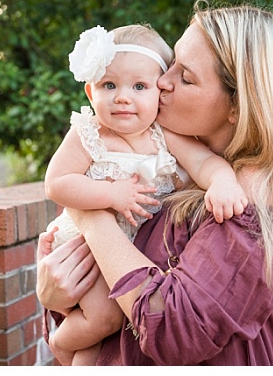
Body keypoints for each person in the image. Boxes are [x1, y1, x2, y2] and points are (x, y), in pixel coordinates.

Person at [37, 4, 273, 365]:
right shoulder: (175, 164)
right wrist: (55, 297)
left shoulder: (248, 206)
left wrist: (92, 217)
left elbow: (172, 333)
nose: (162, 81)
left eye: (185, 77)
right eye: (171, 63)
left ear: (238, 105)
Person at [44, 24, 246, 365]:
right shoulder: (89, 134)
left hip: (130, 249)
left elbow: (206, 164)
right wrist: (109, 193)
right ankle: (62, 343)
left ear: (158, 93)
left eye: (139, 86)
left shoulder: (165, 136)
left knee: (110, 334)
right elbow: (57, 184)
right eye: (109, 85)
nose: (123, 97)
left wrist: (223, 183)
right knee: (105, 320)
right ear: (91, 94)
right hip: (88, 248)